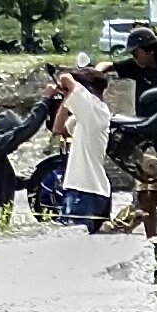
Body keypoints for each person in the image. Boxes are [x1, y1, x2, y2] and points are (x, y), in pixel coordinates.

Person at [53, 66, 117, 228]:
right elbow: (58, 129)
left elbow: (66, 77)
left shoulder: (94, 108)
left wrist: (68, 83)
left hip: (84, 191)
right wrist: (66, 97)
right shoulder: (88, 115)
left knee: (73, 246)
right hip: (87, 191)